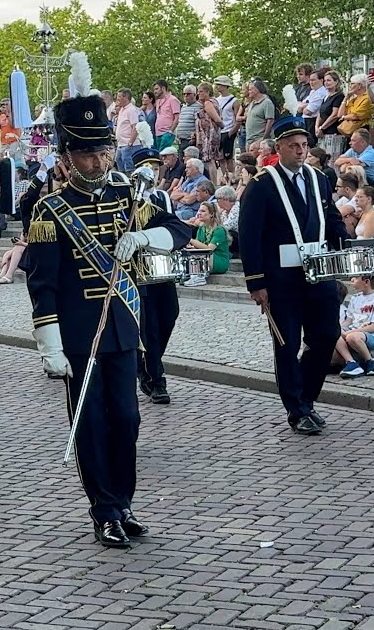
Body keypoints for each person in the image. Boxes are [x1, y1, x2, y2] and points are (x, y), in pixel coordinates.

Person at [26, 93, 191, 547]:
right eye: (86, 154)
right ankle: (103, 510)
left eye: (102, 152)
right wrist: (51, 346)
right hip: (79, 334)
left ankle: (124, 500)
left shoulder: (129, 195)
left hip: (122, 327)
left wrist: (143, 236)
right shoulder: (49, 210)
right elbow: (42, 285)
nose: (97, 161)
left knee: (127, 419)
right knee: (91, 424)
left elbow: (180, 231)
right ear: (67, 159)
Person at [238, 116, 349, 436]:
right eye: (294, 146)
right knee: (286, 343)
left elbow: (332, 219)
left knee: (327, 335)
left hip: (319, 273)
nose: (301, 151)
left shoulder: (318, 178)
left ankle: (306, 397)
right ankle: (298, 409)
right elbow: (249, 235)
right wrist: (256, 282)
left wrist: (346, 247)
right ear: (279, 148)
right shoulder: (261, 184)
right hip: (280, 277)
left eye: (304, 146)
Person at [127, 146, 187, 406]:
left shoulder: (161, 197)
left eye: (155, 167)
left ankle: (147, 362)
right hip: (139, 272)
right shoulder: (128, 197)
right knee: (148, 325)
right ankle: (156, 379)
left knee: (169, 316)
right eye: (147, 167)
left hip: (162, 268)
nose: (152, 171)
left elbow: (172, 228)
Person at [334, 270, 374, 377]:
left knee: (352, 337)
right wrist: (338, 327)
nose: (352, 280)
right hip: (354, 332)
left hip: (373, 336)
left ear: (366, 282)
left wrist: (351, 332)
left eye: (356, 278)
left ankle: (371, 362)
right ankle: (351, 363)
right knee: (334, 332)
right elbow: (348, 321)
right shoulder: (355, 298)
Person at [186, 200, 229, 284]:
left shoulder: (219, 230)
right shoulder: (201, 228)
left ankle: (200, 277)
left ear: (211, 214)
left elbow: (209, 249)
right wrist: (191, 246)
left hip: (219, 260)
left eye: (203, 211)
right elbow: (198, 246)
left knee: (204, 254)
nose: (199, 213)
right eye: (199, 210)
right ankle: (192, 275)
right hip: (207, 257)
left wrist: (190, 240)